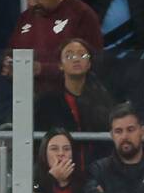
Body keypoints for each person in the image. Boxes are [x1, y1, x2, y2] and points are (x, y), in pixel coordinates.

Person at [6, 0, 103, 101]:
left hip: (71, 101)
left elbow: (95, 63)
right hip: (28, 102)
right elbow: (11, 51)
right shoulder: (26, 17)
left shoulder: (81, 14)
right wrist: (9, 65)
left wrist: (42, 69)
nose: (32, 3)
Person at [34, 40, 117, 168]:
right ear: (60, 65)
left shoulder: (103, 99)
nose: (76, 59)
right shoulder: (47, 102)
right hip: (58, 167)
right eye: (69, 55)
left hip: (97, 170)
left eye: (82, 55)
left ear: (89, 64)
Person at [34, 128, 86, 193]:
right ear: (44, 153)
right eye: (54, 149)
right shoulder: (35, 180)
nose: (61, 153)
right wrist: (51, 178)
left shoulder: (84, 182)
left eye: (66, 149)